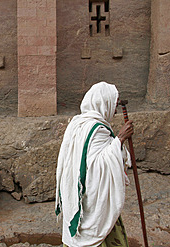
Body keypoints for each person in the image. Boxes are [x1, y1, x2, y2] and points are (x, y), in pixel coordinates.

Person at [55, 81, 134, 247]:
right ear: (104, 102)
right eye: (114, 103)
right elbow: (98, 167)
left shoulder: (78, 123)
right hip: (91, 198)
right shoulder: (96, 128)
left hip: (77, 192)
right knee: (99, 229)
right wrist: (119, 139)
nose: (116, 109)